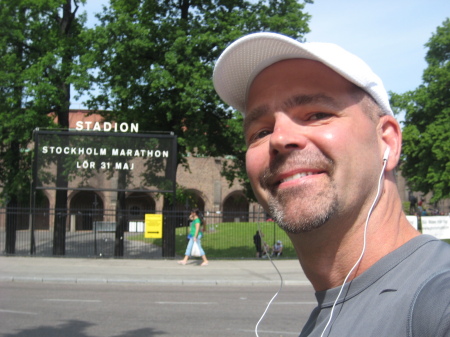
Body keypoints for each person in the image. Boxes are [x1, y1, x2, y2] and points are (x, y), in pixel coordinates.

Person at [213, 32, 450, 336]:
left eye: (317, 115)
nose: (280, 138)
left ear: (387, 141)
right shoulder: (332, 310)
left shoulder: (437, 301)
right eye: (260, 132)